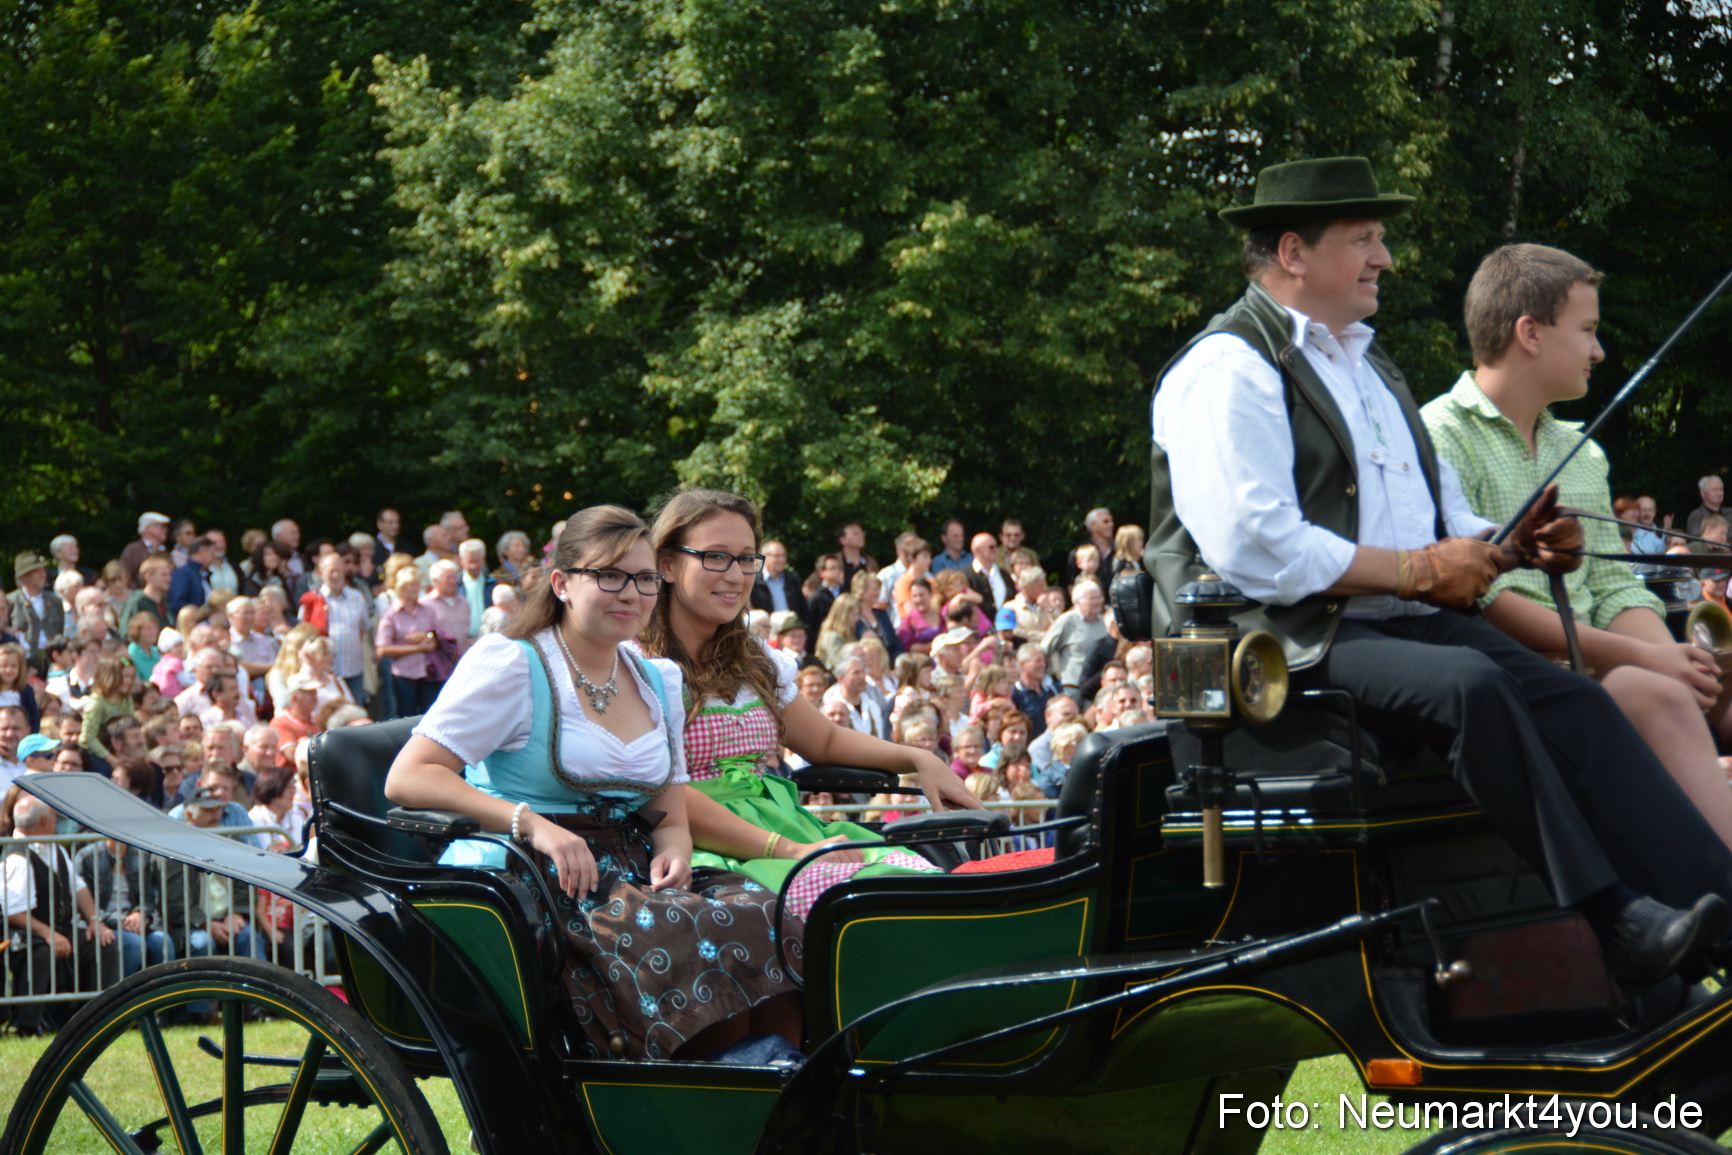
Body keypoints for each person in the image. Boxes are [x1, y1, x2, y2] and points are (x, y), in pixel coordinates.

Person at [1146, 154, 1732, 1003]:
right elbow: (1256, 548)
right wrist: (1420, 569)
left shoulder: (1369, 367)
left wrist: (1518, 543)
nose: (1384, 257)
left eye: (1379, 238)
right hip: (1282, 640)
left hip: (1393, 623)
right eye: (1365, 239)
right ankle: (1617, 922)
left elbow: (1442, 518)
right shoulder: (1225, 369)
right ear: (1293, 252)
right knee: (1470, 681)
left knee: (1582, 700)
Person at [385, 505, 800, 1061]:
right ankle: (711, 1092)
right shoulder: (513, 665)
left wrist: (674, 850)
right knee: (689, 928)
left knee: (767, 914)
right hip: (538, 872)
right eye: (610, 576)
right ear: (561, 583)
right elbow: (409, 777)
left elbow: (667, 807)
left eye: (646, 578)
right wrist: (531, 824)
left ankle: (768, 1084)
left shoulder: (657, 678)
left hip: (629, 863)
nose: (631, 593)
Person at [1421, 242, 1732, 845]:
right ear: (1530, 333)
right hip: (1515, 681)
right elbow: (1480, 599)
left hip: (1605, 665)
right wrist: (1646, 660)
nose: (1599, 350)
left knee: (1711, 676)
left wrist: (1679, 660)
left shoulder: (1584, 452)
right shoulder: (1437, 438)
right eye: (1588, 330)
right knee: (1655, 692)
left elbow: (1614, 586)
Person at [636, 488, 981, 924]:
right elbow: (659, 793)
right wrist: (790, 850)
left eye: (746, 558)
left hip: (786, 826)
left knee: (926, 888)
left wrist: (917, 758)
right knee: (857, 909)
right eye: (716, 556)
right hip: (703, 844)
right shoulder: (637, 665)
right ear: (665, 563)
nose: (736, 574)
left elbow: (825, 738)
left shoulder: (756, 662)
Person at [4, 795, 112, 1035]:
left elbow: (79, 886)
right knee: (41, 952)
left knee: (102, 942)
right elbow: (13, 912)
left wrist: (95, 921)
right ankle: (27, 1026)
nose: (57, 820)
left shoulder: (54, 847)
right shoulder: (17, 857)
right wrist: (49, 934)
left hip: (59, 929)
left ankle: (100, 1018)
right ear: (44, 822)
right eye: (53, 816)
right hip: (24, 937)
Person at [375, 566, 442, 717]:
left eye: (418, 584)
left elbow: (440, 638)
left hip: (427, 672)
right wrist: (416, 648)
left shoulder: (427, 610)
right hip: (404, 675)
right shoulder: (391, 614)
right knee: (406, 717)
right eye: (412, 585)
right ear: (402, 587)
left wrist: (427, 636)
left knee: (430, 716)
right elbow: (382, 650)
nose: (416, 589)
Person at [9, 551, 64, 671]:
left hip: (53, 661)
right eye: (37, 571)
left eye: (43, 570)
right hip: (23, 663)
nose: (43, 574)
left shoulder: (55, 601)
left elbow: (60, 631)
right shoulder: (10, 601)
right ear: (24, 577)